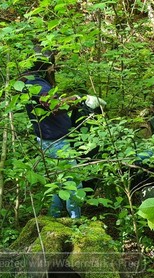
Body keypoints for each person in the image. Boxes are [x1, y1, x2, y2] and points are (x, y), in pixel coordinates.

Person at [23, 46, 106, 218]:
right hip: (55, 143)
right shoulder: (36, 84)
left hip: (51, 139)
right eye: (51, 65)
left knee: (58, 182)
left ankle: (53, 218)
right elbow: (53, 105)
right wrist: (79, 99)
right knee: (73, 184)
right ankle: (76, 222)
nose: (54, 69)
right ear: (45, 66)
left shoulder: (31, 80)